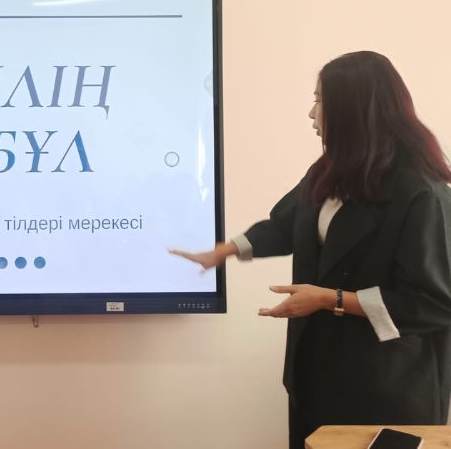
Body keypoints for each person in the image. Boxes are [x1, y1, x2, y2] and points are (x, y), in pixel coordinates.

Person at [170, 51, 451, 449]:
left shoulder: (421, 193)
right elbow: (287, 225)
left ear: (354, 108)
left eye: (319, 100)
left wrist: (329, 299)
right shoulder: (330, 172)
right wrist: (225, 250)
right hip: (317, 369)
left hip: (387, 383)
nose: (311, 113)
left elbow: (435, 302)